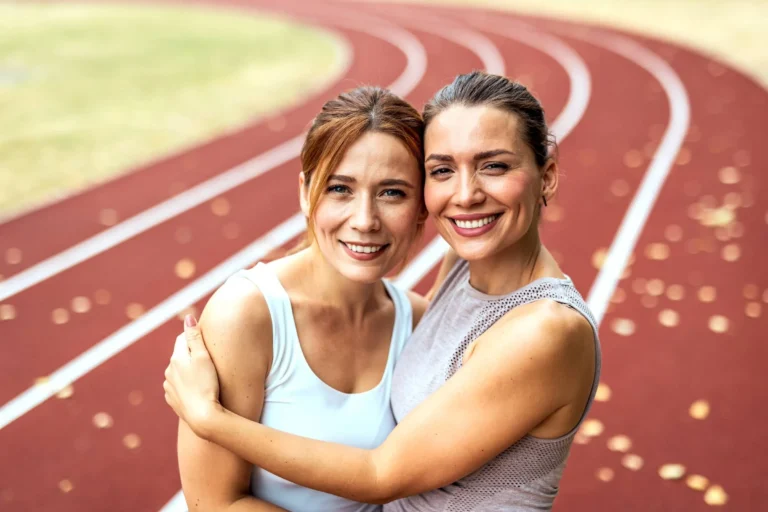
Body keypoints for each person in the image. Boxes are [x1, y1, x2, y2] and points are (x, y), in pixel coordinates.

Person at [164, 71, 601, 511]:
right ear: (305, 192)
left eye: (494, 166)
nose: (465, 195)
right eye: (443, 170)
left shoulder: (544, 329)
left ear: (546, 177)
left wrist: (210, 419)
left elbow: (380, 474)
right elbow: (214, 503)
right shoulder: (457, 276)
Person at [167, 86, 438, 511]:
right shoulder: (249, 316)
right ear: (305, 193)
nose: (365, 220)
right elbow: (215, 503)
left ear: (422, 207)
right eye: (340, 189)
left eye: (392, 193)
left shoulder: (420, 324)